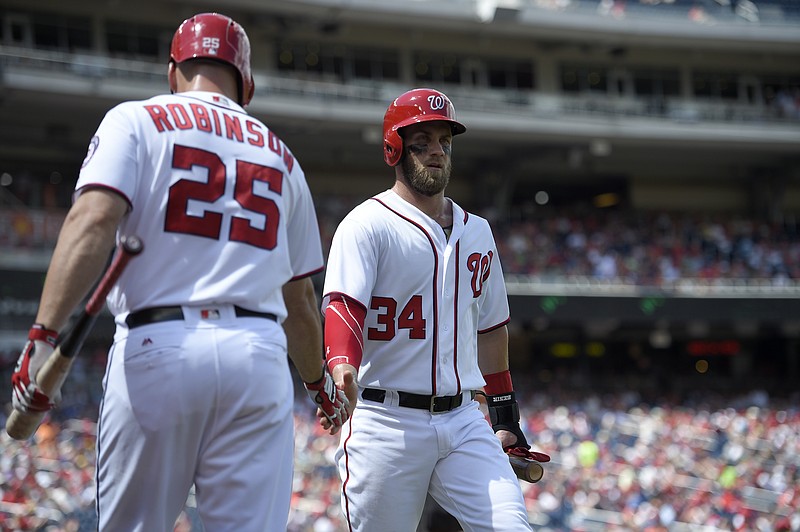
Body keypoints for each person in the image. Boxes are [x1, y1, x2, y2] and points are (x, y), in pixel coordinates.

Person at [10, 12, 348, 531]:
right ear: (247, 84)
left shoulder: (136, 119)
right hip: (256, 356)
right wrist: (318, 387)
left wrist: (42, 334)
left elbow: (93, 219)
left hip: (157, 345)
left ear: (173, 72)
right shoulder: (282, 156)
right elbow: (300, 303)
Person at [318, 87, 550, 531]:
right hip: (385, 419)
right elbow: (343, 306)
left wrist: (505, 414)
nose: (436, 152)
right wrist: (342, 363)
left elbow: (491, 328)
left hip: (463, 418)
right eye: (421, 142)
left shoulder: (478, 231)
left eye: (444, 141)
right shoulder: (367, 223)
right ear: (395, 148)